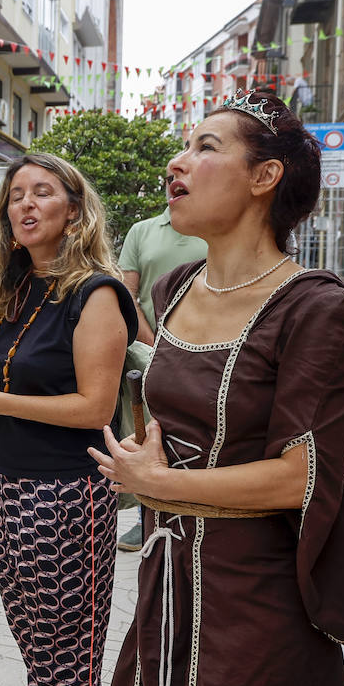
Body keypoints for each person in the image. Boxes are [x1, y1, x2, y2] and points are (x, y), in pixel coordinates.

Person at [89, 90, 344, 686]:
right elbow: (164, 417)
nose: (178, 161)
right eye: (184, 145)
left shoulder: (316, 308)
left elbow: (302, 476)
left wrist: (161, 486)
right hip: (167, 580)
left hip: (257, 598)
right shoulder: (172, 287)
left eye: (206, 147)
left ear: (265, 177)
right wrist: (146, 468)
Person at [0, 152, 136, 686]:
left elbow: (94, 406)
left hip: (64, 495)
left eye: (43, 193)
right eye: (16, 195)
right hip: (3, 482)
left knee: (71, 649)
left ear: (74, 210)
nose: (25, 204)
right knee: (35, 641)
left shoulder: (97, 293)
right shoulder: (14, 285)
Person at [114, 208, 206, 551]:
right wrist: (155, 343)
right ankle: (145, 517)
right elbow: (130, 293)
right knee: (148, 431)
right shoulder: (142, 230)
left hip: (205, 351)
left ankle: (192, 510)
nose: (174, 176)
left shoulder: (210, 226)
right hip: (151, 347)